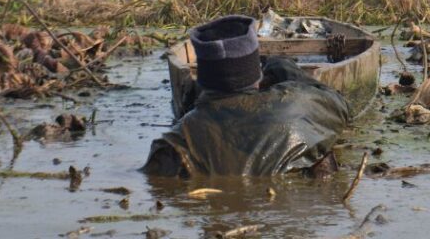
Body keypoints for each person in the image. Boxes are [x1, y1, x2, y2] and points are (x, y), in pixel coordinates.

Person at [142, 15, 350, 177]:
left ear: (202, 81)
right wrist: (284, 68)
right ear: (257, 77)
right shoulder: (297, 104)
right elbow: (341, 105)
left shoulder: (173, 143)